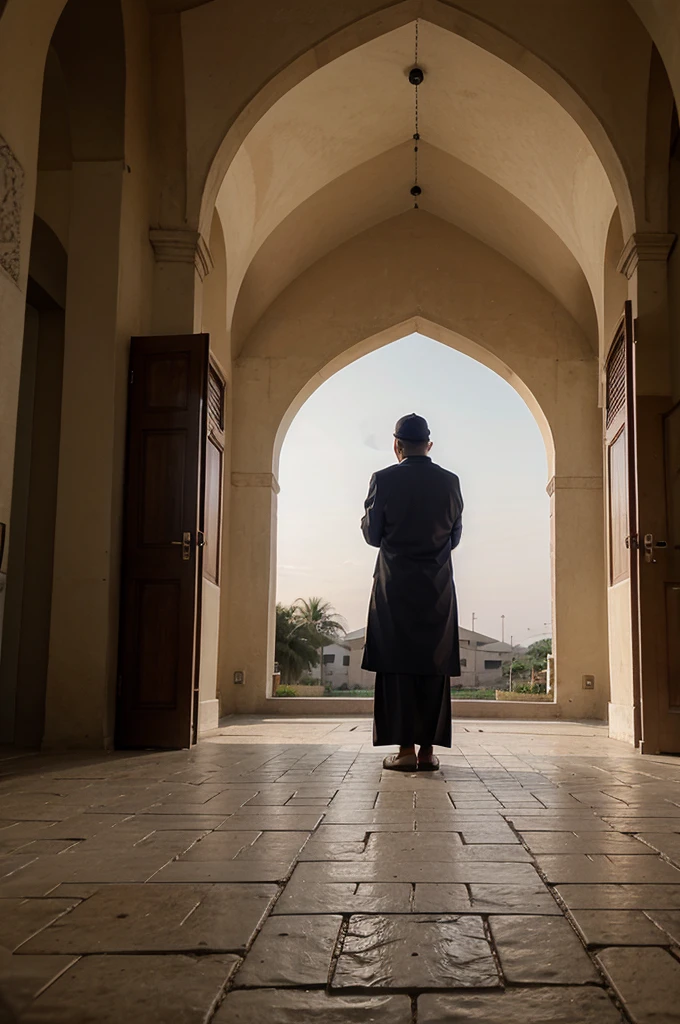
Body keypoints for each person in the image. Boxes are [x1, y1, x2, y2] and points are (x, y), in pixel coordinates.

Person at [361, 413, 463, 771]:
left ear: (396, 447)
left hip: (395, 586)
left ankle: (403, 752)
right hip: (436, 586)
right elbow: (454, 538)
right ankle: (427, 753)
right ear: (429, 446)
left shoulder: (383, 480)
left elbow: (373, 536)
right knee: (432, 666)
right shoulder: (451, 483)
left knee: (397, 664)